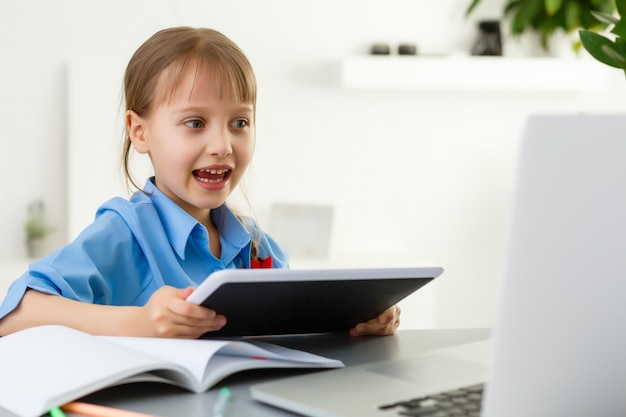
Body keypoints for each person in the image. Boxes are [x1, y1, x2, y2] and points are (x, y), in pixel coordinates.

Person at [0, 27, 400, 339]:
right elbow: (16, 315)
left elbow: (294, 327)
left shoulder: (253, 242)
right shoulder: (124, 231)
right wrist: (141, 322)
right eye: (195, 123)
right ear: (140, 132)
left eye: (239, 123)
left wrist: (360, 321)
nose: (222, 145)